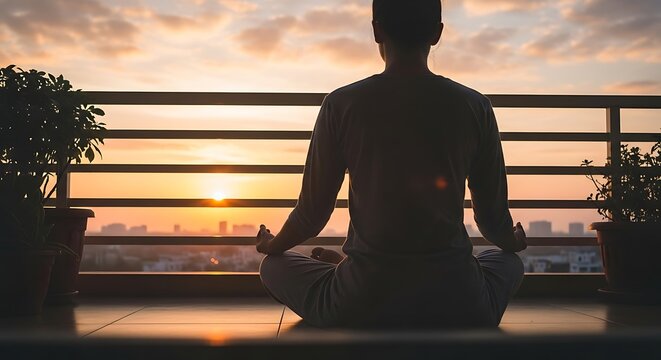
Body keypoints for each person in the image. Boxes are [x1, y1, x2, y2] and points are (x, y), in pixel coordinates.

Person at [256, 0, 527, 329]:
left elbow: (311, 215)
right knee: (506, 262)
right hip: (459, 301)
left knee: (272, 267)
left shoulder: (341, 104)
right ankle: (350, 270)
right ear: (437, 33)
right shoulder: (475, 106)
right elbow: (492, 221)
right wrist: (513, 241)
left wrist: (273, 245)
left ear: (376, 30)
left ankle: (346, 269)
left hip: (361, 300)